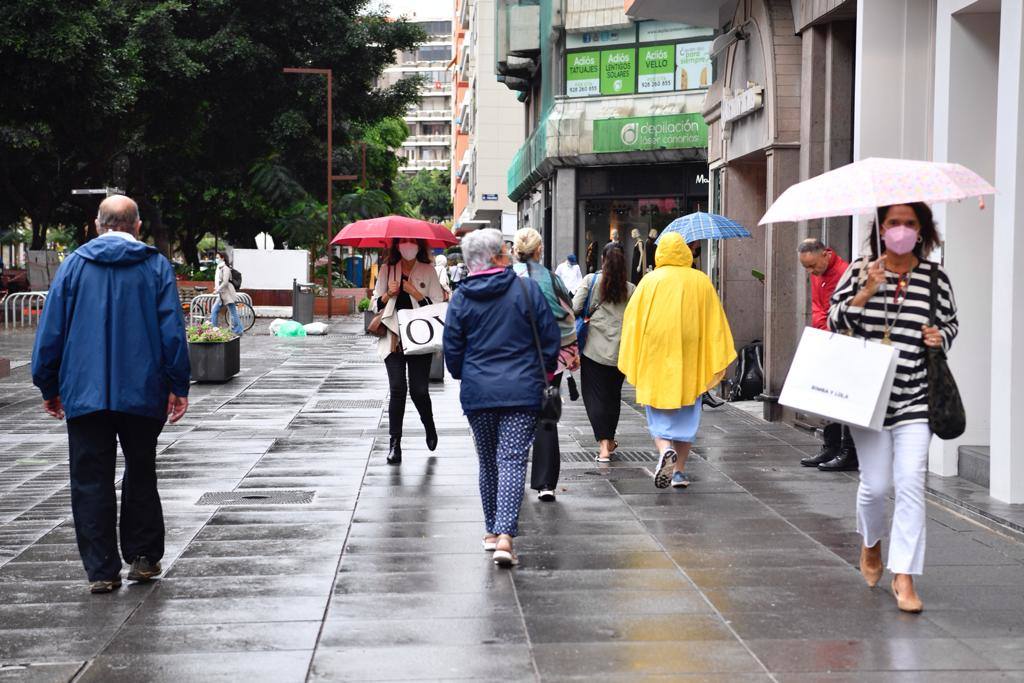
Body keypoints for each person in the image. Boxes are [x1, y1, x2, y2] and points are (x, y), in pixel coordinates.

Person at [31, 195, 190, 594]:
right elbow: (172, 331)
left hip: (84, 394)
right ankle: (142, 557)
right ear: (137, 226)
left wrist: (48, 384)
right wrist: (178, 385)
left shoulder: (73, 266)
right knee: (141, 472)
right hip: (142, 392)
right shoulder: (155, 266)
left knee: (89, 480)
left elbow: (51, 332)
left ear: (98, 224)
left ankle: (101, 570)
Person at [829, 202, 958, 614]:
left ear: (921, 231)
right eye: (893, 223)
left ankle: (904, 575)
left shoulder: (935, 278)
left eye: (909, 223)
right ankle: (871, 544)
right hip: (868, 398)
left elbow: (951, 321)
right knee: (876, 487)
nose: (901, 230)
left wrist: (940, 336)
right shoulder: (859, 270)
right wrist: (866, 291)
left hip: (916, 397)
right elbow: (833, 322)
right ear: (881, 229)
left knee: (910, 483)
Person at [444, 229, 559, 567]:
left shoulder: (462, 297)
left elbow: (452, 350)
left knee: (488, 460)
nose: (509, 254)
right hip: (522, 391)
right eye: (505, 250)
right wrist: (544, 373)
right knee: (511, 459)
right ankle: (506, 536)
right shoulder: (526, 289)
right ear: (496, 257)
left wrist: (466, 374)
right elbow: (549, 338)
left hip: (478, 392)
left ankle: (492, 532)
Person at [619, 232, 736, 490]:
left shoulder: (649, 282)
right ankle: (680, 471)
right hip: (690, 358)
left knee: (657, 412)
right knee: (688, 413)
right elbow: (714, 321)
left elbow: (632, 321)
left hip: (655, 355)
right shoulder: (701, 281)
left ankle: (664, 451)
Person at [513, 228, 579, 501]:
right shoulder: (550, 278)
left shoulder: (504, 278)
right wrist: (571, 350)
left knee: (514, 417)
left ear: (516, 251)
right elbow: (567, 314)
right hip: (548, 357)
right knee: (546, 416)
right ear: (539, 250)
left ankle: (512, 476)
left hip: (512, 358)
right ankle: (545, 483)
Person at [372, 238, 446, 465]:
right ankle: (395, 444)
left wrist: (414, 292)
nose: (408, 245)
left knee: (419, 391)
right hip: (393, 336)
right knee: (397, 388)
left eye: (412, 241)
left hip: (419, 337)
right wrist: (388, 295)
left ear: (419, 245)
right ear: (396, 245)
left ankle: (429, 423)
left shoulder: (428, 271)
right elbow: (374, 304)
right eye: (403, 241)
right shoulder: (387, 269)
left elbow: (437, 306)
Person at [797, 238, 857, 472]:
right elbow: (818, 307)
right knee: (830, 397)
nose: (811, 271)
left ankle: (848, 451)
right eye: (806, 268)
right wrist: (821, 331)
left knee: (843, 397)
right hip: (826, 339)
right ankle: (831, 445)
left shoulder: (844, 273)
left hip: (843, 341)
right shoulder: (817, 273)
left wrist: (827, 329)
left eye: (812, 266)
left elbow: (842, 310)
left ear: (825, 254)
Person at [572, 242, 635, 463]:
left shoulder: (591, 281)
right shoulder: (631, 289)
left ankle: (604, 447)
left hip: (593, 350)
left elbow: (575, 308)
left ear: (602, 260)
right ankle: (609, 440)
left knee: (594, 398)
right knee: (613, 397)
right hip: (620, 351)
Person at [210, 251, 243, 335]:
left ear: (222, 258)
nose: (216, 259)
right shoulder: (220, 268)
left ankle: (238, 330)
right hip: (222, 294)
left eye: (217, 257)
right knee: (215, 310)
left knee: (232, 312)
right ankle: (214, 329)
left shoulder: (226, 268)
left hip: (227, 293)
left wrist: (217, 290)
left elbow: (225, 282)